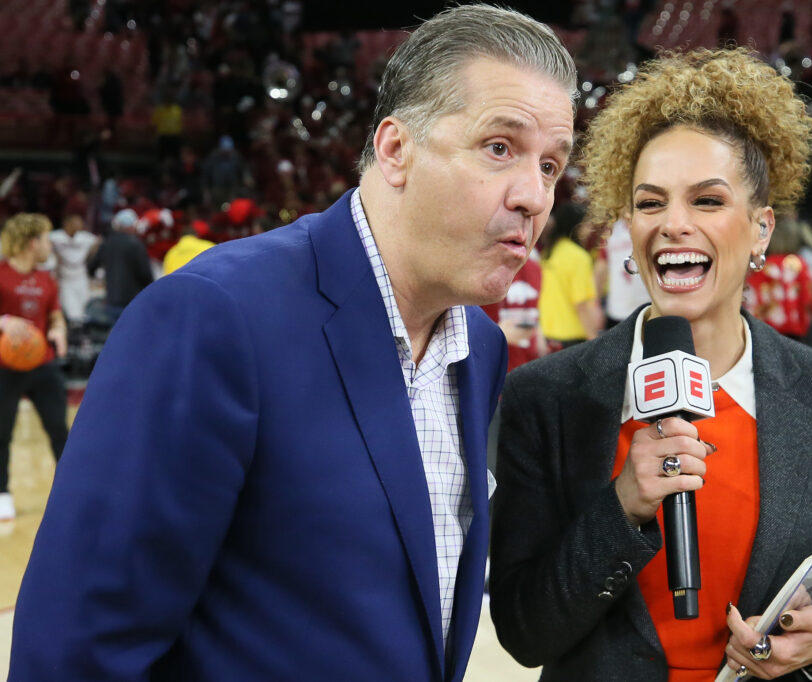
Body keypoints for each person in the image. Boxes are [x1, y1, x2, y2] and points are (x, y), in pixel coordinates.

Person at [10, 5, 576, 681]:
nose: (533, 196)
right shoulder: (214, 316)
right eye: (499, 148)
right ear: (397, 149)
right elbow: (78, 650)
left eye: (550, 165)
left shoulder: (479, 350)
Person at [490, 48, 812, 682]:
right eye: (650, 204)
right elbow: (523, 632)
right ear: (627, 227)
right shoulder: (544, 397)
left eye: (707, 201)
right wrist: (623, 506)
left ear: (761, 229)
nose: (673, 225)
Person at [0, 214, 68, 521]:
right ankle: (2, 494)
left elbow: (55, 315)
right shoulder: (1, 274)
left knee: (60, 430)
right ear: (32, 242)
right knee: (2, 434)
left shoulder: (46, 279)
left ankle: (71, 490)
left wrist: (58, 329)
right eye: (45, 238)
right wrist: (4, 320)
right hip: (5, 367)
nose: (49, 244)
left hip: (42, 365)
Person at [538, 201, 605, 349]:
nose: (589, 229)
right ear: (576, 226)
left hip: (549, 336)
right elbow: (581, 304)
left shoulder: (549, 252)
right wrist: (594, 341)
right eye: (586, 224)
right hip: (573, 339)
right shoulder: (578, 257)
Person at [86, 208, 154, 322]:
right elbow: (145, 274)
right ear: (132, 226)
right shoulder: (136, 245)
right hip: (133, 301)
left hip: (112, 301)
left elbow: (91, 268)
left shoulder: (107, 243)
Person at [48, 212, 99, 323]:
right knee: (72, 311)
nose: (78, 225)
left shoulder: (84, 237)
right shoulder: (56, 237)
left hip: (81, 277)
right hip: (65, 278)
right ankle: (75, 334)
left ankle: (83, 335)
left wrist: (90, 256)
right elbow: (44, 241)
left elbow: (98, 241)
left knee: (84, 309)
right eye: (75, 222)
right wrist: (55, 254)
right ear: (66, 224)